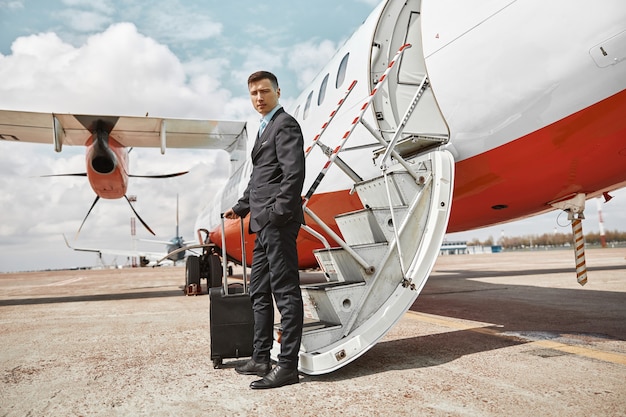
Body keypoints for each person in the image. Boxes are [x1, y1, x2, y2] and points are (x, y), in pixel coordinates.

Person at [224, 70, 305, 389]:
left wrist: (277, 214)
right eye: (254, 93)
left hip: (276, 222)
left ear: (278, 92)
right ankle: (261, 357)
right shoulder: (264, 128)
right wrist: (242, 206)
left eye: (264, 91)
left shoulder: (285, 124)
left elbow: (293, 174)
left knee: (285, 291)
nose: (259, 98)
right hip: (261, 222)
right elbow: (261, 178)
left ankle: (287, 366)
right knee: (259, 290)